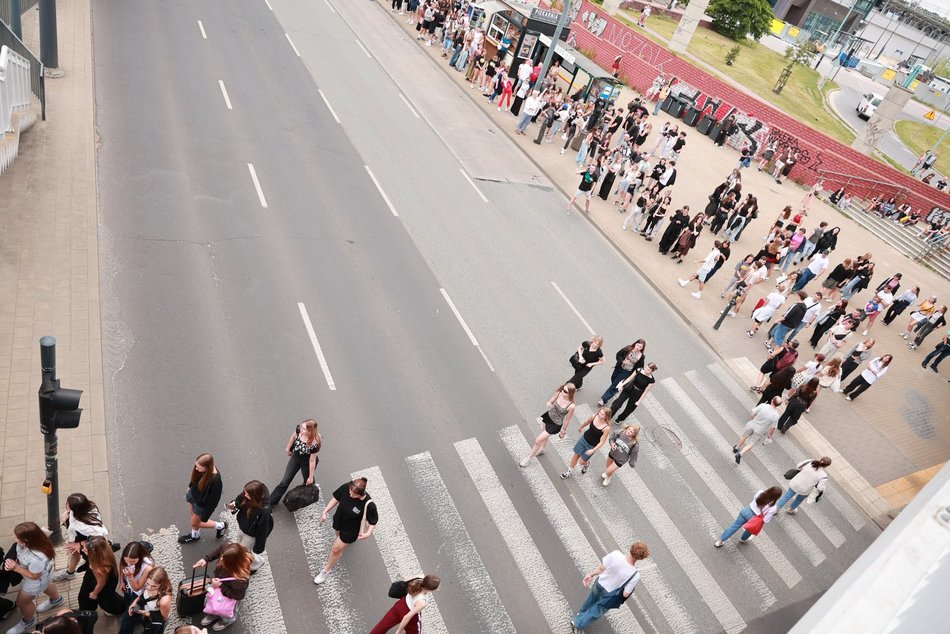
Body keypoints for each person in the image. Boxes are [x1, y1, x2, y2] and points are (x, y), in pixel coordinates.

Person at [313, 478, 378, 584]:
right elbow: (336, 498)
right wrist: (325, 511)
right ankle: (339, 548)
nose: (350, 494)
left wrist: (368, 533)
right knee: (338, 538)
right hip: (339, 520)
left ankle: (325, 572)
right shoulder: (346, 487)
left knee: (335, 550)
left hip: (351, 530)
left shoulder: (368, 504)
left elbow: (373, 521)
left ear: (361, 494)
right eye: (349, 491)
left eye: (354, 494)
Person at [572, 542, 649, 630]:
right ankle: (577, 623)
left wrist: (591, 575)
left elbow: (601, 569)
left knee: (591, 598)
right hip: (610, 594)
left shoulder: (616, 554)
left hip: (600, 583)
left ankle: (581, 614)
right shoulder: (635, 575)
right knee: (597, 610)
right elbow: (625, 594)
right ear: (641, 558)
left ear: (631, 548)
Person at [3, 522, 64, 634]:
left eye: (17, 537)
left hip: (36, 581)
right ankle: (57, 600)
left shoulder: (37, 558)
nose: (13, 537)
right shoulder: (37, 538)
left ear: (26, 540)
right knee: (47, 585)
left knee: (22, 602)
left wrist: (15, 567)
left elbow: (35, 576)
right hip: (46, 574)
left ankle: (28, 621)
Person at [51, 493, 110, 582]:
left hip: (90, 545)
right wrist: (66, 518)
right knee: (74, 553)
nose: (66, 504)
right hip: (80, 539)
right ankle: (70, 573)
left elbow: (100, 539)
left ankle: (89, 576)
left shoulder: (89, 527)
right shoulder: (90, 507)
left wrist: (79, 544)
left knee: (89, 560)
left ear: (76, 510)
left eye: (68, 504)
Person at [193, 543, 252, 631]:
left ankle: (225, 621)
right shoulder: (228, 549)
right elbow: (219, 550)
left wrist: (221, 585)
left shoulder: (240, 580)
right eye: (222, 557)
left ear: (233, 564)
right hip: (219, 586)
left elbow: (238, 596)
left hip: (229, 593)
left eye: (224, 561)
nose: (221, 559)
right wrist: (206, 559)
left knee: (226, 611)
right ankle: (212, 615)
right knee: (211, 603)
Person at [520, 384, 577, 467]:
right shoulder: (558, 393)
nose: (562, 391)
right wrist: (549, 403)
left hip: (555, 424)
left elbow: (567, 419)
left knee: (538, 440)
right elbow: (550, 401)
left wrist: (563, 431)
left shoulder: (571, 406)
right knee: (544, 434)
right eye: (562, 389)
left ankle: (529, 458)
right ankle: (542, 449)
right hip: (548, 417)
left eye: (565, 391)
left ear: (570, 393)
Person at [269, 419, 321, 507]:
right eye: (301, 426)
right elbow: (293, 437)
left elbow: (312, 460)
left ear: (309, 431)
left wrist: (311, 477)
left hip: (307, 462)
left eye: (304, 428)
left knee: (308, 481)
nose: (301, 429)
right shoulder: (298, 430)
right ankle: (271, 501)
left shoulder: (315, 442)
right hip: (296, 458)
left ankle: (310, 494)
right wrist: (288, 448)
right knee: (285, 481)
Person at [179, 453, 226, 544]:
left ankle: (220, 526)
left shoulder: (216, 480)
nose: (196, 469)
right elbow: (194, 478)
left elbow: (214, 501)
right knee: (193, 515)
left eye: (198, 467)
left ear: (206, 468)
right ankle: (195, 535)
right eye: (196, 466)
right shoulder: (203, 469)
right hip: (193, 496)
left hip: (201, 504)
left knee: (195, 523)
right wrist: (190, 486)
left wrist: (205, 516)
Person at [227, 481, 274, 572]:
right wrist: (234, 504)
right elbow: (239, 499)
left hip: (251, 535)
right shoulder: (250, 492)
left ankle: (256, 563)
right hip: (242, 527)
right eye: (244, 492)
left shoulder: (264, 512)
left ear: (254, 496)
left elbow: (263, 531)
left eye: (247, 494)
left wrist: (259, 547)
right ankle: (252, 561)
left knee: (241, 551)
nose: (244, 495)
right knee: (239, 548)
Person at [370, 575, 441, 634]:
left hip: (401, 605)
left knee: (383, 625)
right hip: (410, 614)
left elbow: (406, 580)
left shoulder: (419, 578)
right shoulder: (421, 601)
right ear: (431, 589)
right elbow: (406, 617)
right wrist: (399, 630)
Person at [714, 487, 782, 547]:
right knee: (750, 529)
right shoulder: (773, 507)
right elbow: (766, 520)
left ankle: (720, 541)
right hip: (754, 518)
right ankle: (743, 539)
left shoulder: (760, 492)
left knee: (734, 527)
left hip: (746, 511)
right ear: (777, 497)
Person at [561, 407, 613, 479]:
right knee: (576, 455)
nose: (599, 415)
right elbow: (587, 421)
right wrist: (581, 427)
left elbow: (602, 442)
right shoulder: (594, 416)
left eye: (602, 414)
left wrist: (593, 450)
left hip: (591, 446)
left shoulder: (606, 428)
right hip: (584, 439)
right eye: (600, 412)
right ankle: (569, 472)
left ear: (606, 417)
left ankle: (586, 464)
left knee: (581, 462)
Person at [78, 536, 125, 616]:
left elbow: (101, 584)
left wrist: (94, 594)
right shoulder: (104, 551)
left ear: (94, 553)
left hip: (101, 585)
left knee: (104, 600)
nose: (82, 550)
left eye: (85, 550)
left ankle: (114, 609)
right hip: (105, 582)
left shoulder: (98, 568)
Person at [116, 542, 154, 634]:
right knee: (127, 604)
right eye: (126, 561)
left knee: (126, 620)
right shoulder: (126, 560)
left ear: (140, 557)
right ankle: (136, 619)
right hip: (128, 588)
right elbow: (121, 565)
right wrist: (122, 581)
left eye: (132, 562)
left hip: (139, 596)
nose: (128, 564)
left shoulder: (148, 567)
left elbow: (137, 588)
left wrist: (130, 577)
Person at [123, 567, 173, 634]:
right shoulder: (149, 585)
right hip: (145, 611)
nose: (148, 588)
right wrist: (134, 603)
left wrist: (145, 613)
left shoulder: (164, 600)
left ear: (162, 584)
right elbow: (143, 597)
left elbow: (163, 618)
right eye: (147, 583)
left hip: (154, 621)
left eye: (154, 586)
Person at [732, 397, 781, 464]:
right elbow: (773, 428)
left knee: (744, 436)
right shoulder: (776, 416)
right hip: (760, 430)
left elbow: (752, 413)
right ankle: (740, 454)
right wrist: (769, 436)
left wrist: (752, 418)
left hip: (753, 424)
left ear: (772, 400)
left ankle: (737, 447)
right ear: (778, 405)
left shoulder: (763, 405)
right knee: (752, 442)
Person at [598, 340, 646, 405]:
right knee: (613, 378)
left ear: (642, 348)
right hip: (619, 367)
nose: (638, 347)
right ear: (635, 344)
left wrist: (636, 374)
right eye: (637, 345)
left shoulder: (641, 357)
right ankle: (614, 391)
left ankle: (603, 399)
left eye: (640, 347)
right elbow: (618, 355)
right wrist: (622, 361)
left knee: (615, 384)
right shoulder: (628, 348)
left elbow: (640, 367)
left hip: (627, 372)